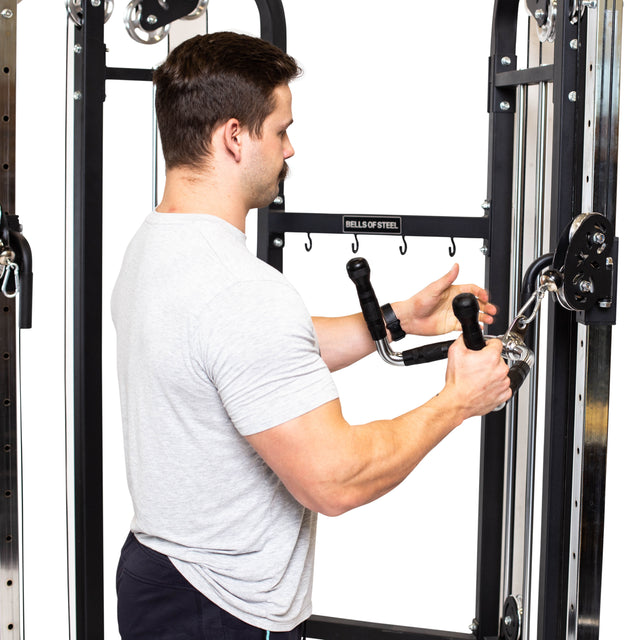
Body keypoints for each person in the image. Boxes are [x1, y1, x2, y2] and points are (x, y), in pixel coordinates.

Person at [111, 31, 511, 640]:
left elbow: (249, 360)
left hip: (160, 576)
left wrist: (398, 317)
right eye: (280, 129)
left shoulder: (157, 243)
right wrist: (458, 400)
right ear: (234, 137)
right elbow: (335, 479)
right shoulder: (240, 292)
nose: (290, 148)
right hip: (223, 610)